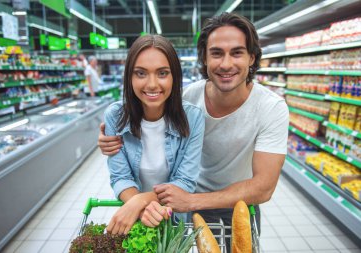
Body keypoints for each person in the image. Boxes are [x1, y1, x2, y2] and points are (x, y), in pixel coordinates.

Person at [99, 12, 289, 249]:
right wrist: (110, 140)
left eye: (237, 52)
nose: (226, 64)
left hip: (236, 203)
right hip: (183, 205)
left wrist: (189, 201)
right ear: (205, 59)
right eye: (217, 53)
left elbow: (264, 186)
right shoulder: (187, 99)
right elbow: (147, 113)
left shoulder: (271, 108)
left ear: (252, 57)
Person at [103, 34, 205, 235]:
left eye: (162, 73)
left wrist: (140, 201)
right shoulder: (114, 116)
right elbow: (120, 177)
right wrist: (140, 207)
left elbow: (185, 181)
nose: (151, 84)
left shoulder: (193, 118)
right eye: (141, 73)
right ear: (129, 77)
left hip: (173, 221)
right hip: (134, 220)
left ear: (174, 76)